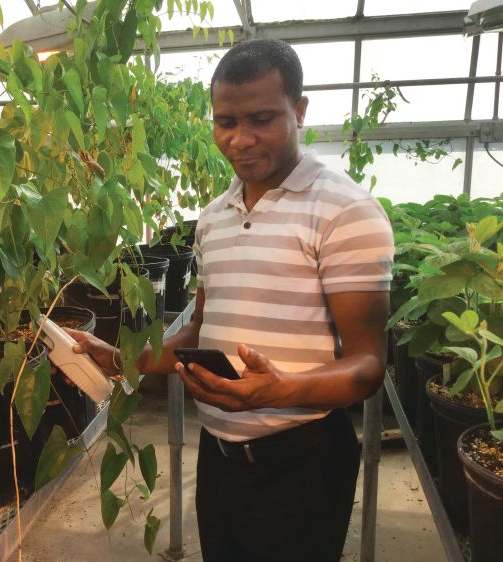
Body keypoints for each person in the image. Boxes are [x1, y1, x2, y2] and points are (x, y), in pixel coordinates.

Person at [68, 38, 394, 562]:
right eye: (225, 122)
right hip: (218, 458)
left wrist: (278, 391)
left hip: (302, 464)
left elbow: (367, 365)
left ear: (300, 110)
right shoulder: (213, 218)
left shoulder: (345, 212)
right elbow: (200, 332)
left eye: (262, 118)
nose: (240, 139)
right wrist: (122, 361)